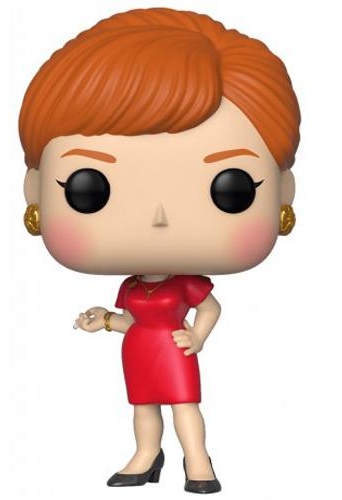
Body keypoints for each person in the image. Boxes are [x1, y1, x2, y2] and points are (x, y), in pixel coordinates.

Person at [19, 7, 300, 494]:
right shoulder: (131, 286)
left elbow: (210, 307)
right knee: (142, 407)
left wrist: (198, 337)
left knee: (185, 406)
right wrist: (104, 321)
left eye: (230, 188)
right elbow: (131, 320)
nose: (159, 218)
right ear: (35, 192)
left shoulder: (186, 285)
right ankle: (146, 455)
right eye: (90, 188)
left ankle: (198, 461)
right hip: (140, 350)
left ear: (283, 194)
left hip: (174, 350)